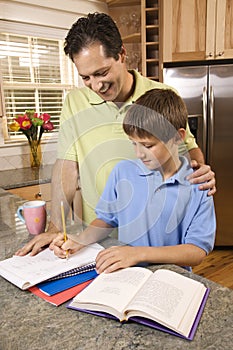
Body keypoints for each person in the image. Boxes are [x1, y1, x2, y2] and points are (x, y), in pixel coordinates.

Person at [15, 12, 216, 257]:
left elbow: (188, 148)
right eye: (86, 77)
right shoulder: (74, 102)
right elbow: (66, 168)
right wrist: (56, 228)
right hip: (98, 239)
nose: (96, 86)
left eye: (102, 73)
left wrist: (201, 173)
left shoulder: (161, 95)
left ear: (121, 55)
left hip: (160, 244)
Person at [51, 88, 216, 273]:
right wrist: (81, 239)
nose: (139, 153)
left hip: (172, 280)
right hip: (126, 274)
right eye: (133, 143)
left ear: (178, 137)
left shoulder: (199, 184)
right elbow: (106, 220)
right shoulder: (122, 172)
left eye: (147, 145)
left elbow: (197, 251)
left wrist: (137, 253)